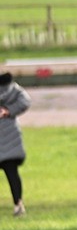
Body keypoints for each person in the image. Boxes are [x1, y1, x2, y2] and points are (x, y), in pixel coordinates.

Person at [0, 72, 30, 217]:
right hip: (10, 135)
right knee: (12, 174)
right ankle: (18, 204)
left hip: (6, 136)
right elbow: (25, 101)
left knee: (11, 173)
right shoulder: (14, 90)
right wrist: (9, 111)